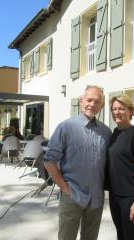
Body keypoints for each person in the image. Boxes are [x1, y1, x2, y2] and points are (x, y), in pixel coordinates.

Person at [44, 85, 111, 240]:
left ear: (101, 106)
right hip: (72, 196)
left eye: (97, 102)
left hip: (96, 199)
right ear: (81, 101)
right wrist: (65, 189)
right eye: (89, 100)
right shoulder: (66, 127)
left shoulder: (106, 132)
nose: (92, 104)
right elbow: (49, 161)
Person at [106, 94, 134, 240]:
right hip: (115, 194)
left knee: (131, 236)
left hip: (131, 196)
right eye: (114, 109)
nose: (117, 112)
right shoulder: (115, 133)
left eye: (121, 108)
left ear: (131, 111)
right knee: (120, 234)